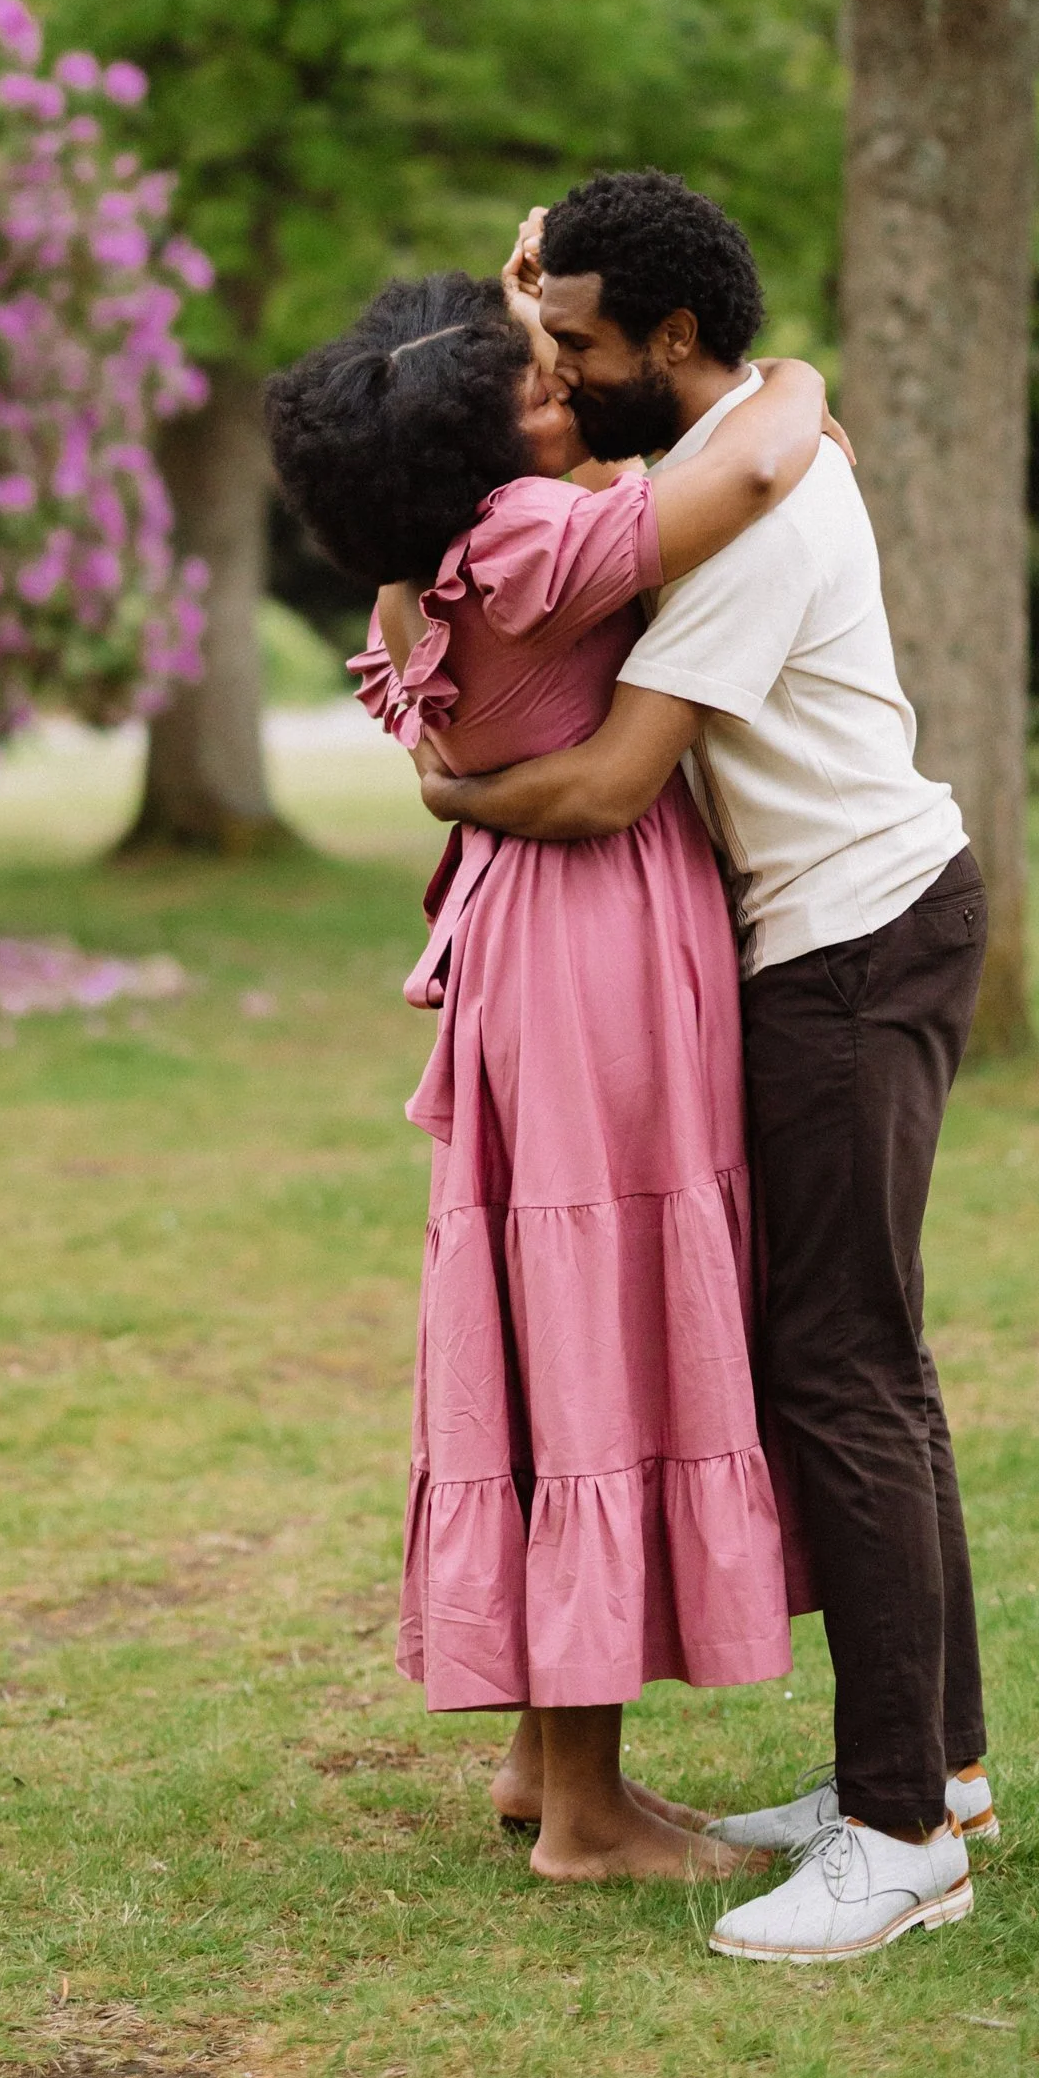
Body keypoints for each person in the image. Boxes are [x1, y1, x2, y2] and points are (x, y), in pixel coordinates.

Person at [417, 170, 994, 1965]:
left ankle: (901, 1837)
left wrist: (454, 793)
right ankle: (936, 1776)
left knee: (839, 1374)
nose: (566, 376)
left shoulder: (749, 507)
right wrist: (535, 296)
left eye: (582, 345)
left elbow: (603, 788)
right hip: (853, 926)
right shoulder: (733, 439)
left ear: (677, 341)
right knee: (868, 1360)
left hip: (844, 944)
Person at [264, 261, 835, 1882]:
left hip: (528, 951)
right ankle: (588, 1815)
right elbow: (750, 465)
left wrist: (520, 296)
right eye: (530, 381)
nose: (563, 388)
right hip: (591, 955)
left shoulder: (423, 561)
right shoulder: (522, 544)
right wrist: (776, 374)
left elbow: (442, 729)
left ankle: (543, 1762)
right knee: (593, 1333)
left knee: (540, 1324)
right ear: (468, 452)